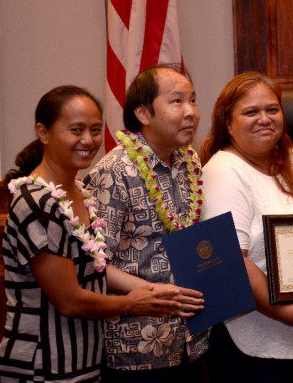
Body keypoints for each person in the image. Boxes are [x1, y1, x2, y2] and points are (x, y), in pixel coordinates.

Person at [0, 85, 199, 382]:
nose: (88, 140)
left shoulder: (82, 192)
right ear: (44, 133)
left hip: (86, 363)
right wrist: (133, 302)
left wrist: (159, 292)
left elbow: (97, 269)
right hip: (42, 365)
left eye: (94, 129)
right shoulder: (35, 202)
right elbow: (70, 300)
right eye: (76, 130)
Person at [199, 71, 293, 383]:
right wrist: (287, 314)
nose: (265, 119)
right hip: (256, 346)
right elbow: (229, 261)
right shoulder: (221, 172)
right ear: (227, 123)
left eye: (272, 109)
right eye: (251, 112)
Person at [85, 64, 209, 382]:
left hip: (192, 340)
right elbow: (93, 262)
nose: (191, 112)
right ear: (143, 113)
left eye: (193, 100)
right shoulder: (114, 170)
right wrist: (155, 292)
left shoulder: (189, 163)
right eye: (177, 101)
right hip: (137, 346)